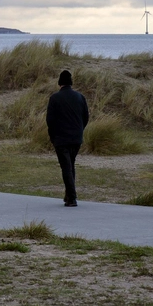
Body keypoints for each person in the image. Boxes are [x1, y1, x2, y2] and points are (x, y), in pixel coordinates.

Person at [46, 69, 89, 207]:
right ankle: (68, 194)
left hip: (61, 138)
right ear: (71, 82)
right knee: (70, 165)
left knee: (66, 167)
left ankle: (72, 198)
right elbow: (86, 117)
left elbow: (50, 121)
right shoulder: (80, 97)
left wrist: (53, 137)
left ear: (60, 83)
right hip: (76, 138)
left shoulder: (54, 98)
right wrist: (79, 130)